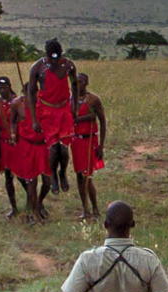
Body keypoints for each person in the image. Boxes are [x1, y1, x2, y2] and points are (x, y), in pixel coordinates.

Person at [25, 39, 77, 194]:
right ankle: (53, 174)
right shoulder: (38, 67)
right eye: (52, 58)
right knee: (54, 149)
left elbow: (75, 86)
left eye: (58, 57)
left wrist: (73, 108)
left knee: (64, 149)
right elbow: (31, 94)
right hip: (46, 110)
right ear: (46, 55)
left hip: (64, 109)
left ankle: (63, 173)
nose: (55, 61)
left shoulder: (69, 65)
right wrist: (34, 119)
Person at [6, 78, 50, 221]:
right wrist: (13, 135)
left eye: (33, 93)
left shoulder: (44, 103)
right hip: (26, 144)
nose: (30, 96)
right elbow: (12, 121)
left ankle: (39, 202)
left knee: (47, 179)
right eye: (27, 93)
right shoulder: (17, 103)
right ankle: (32, 212)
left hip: (43, 144)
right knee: (31, 180)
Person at [70, 72, 107, 222]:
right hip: (76, 141)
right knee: (79, 175)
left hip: (89, 140)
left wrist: (101, 146)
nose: (78, 85)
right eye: (75, 82)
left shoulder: (93, 100)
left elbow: (102, 121)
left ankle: (95, 208)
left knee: (87, 175)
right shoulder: (71, 100)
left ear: (86, 83)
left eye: (80, 82)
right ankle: (85, 209)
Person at [0, 76, 22, 218]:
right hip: (4, 144)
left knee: (23, 176)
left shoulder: (18, 101)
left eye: (5, 87)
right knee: (8, 176)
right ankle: (14, 207)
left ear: (10, 86)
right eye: (0, 88)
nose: (3, 90)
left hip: (17, 143)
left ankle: (33, 203)